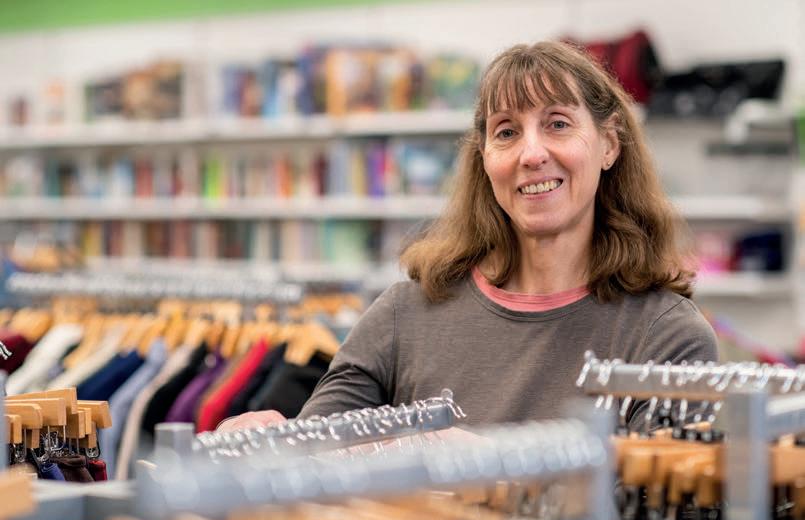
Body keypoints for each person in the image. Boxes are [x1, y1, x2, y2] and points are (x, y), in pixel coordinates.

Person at [219, 40, 717, 432]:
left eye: (557, 124)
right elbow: (317, 458)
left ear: (609, 144)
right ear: (484, 158)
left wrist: (487, 472)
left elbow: (660, 506)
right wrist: (270, 441)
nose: (531, 154)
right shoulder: (403, 315)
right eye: (506, 132)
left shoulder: (666, 336)